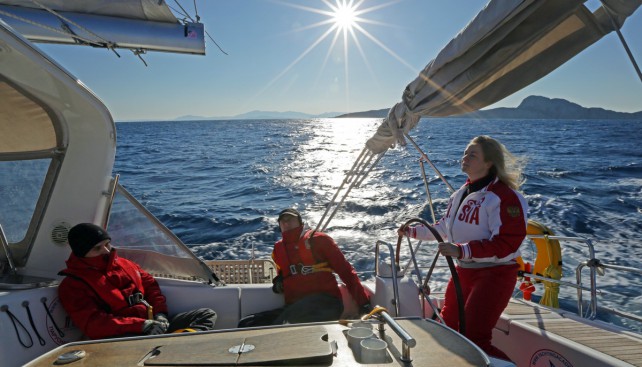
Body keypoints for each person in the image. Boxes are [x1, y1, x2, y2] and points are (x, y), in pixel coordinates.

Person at [398, 135, 528, 361]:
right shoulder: (460, 194)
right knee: (447, 328)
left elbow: (508, 244)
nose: (465, 157)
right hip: (463, 272)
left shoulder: (505, 197)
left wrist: (462, 250)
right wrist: (413, 232)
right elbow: (444, 227)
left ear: (489, 163)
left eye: (472, 154)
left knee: (475, 338)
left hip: (494, 276)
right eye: (465, 152)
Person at [58, 223, 218, 339]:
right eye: (97, 248)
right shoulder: (72, 286)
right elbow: (94, 324)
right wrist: (141, 325)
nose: (107, 251)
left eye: (107, 244)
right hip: (123, 335)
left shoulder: (124, 264)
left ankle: (178, 346)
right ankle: (173, 348)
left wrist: (160, 314)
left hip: (152, 322)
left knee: (206, 315)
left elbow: (151, 287)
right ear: (81, 252)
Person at [238, 208, 372, 326]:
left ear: (300, 222)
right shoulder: (278, 249)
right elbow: (283, 273)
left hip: (326, 303)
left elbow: (346, 271)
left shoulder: (319, 240)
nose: (286, 222)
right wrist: (279, 281)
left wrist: (363, 303)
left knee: (284, 325)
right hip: (295, 307)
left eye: (290, 219)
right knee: (246, 323)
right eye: (282, 220)